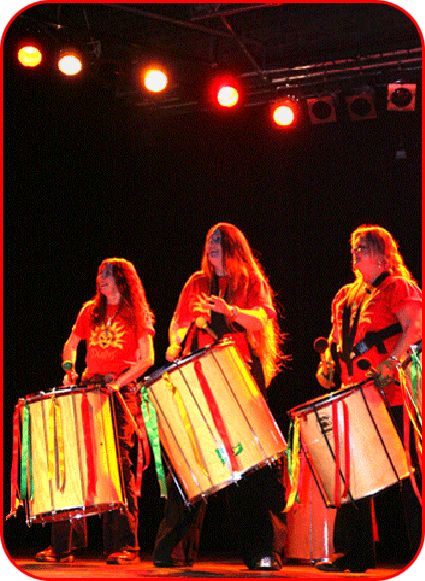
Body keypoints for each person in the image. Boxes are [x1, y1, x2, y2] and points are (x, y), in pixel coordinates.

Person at [153, 222, 288, 570]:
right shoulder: (196, 283)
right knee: (190, 461)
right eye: (209, 241)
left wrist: (230, 312)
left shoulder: (251, 282)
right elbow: (177, 323)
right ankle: (176, 547)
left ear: (234, 248)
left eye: (220, 241)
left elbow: (261, 319)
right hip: (197, 379)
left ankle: (264, 550)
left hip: (237, 378)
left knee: (251, 465)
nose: (212, 245)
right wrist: (175, 342)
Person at [314, 225, 422, 573]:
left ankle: (416, 552)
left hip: (392, 396)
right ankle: (355, 555)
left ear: (383, 255)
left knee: (408, 477)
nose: (356, 251)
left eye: (364, 246)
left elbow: (416, 328)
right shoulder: (345, 296)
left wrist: (392, 362)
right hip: (354, 396)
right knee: (355, 476)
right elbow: (335, 340)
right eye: (354, 247)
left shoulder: (398, 287)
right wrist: (327, 364)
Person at [35, 258, 155, 564]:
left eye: (108, 274)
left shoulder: (135, 312)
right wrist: (69, 368)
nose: (101, 278)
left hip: (120, 390)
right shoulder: (91, 310)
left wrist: (119, 383)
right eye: (100, 273)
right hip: (89, 389)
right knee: (74, 463)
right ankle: (63, 547)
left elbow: (147, 358)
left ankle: (124, 545)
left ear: (123, 280)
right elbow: (71, 343)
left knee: (118, 466)